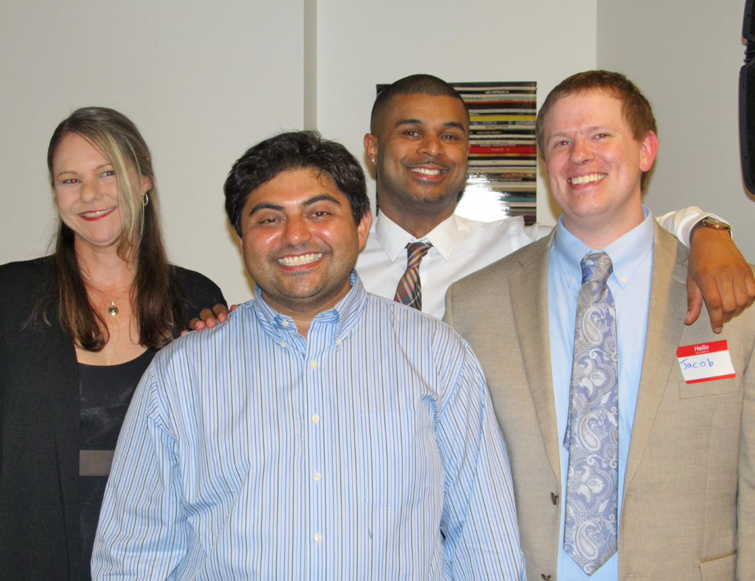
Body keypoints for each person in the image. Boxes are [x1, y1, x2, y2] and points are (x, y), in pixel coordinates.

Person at [92, 131, 527, 580]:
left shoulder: (438, 355)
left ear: (362, 227)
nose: (295, 236)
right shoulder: (181, 374)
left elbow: (483, 540)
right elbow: (133, 553)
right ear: (240, 236)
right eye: (268, 219)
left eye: (319, 213)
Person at [444, 70, 754, 580]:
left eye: (600, 135)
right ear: (547, 165)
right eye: (561, 142)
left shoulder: (733, 297)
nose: (580, 156)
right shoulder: (474, 305)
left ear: (646, 150)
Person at [0, 107, 226, 581]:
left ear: (143, 177)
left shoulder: (196, 300)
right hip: (27, 548)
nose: (90, 195)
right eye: (69, 179)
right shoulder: (10, 295)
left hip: (161, 554)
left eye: (108, 172)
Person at [356, 73, 755, 328]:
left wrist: (707, 231)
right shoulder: (337, 258)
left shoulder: (514, 248)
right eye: (411, 133)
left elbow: (620, 231)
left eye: (450, 136)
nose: (433, 150)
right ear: (373, 149)